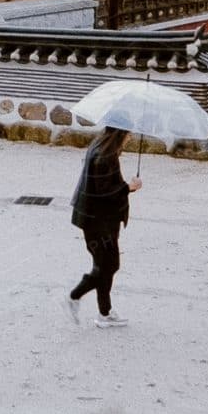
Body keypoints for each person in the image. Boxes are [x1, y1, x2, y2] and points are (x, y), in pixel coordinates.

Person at [65, 125, 141, 328]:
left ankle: (104, 313)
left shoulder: (100, 147)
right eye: (128, 132)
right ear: (119, 133)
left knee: (104, 265)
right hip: (98, 221)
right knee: (109, 265)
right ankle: (75, 296)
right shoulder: (106, 156)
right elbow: (105, 193)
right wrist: (129, 187)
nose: (131, 136)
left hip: (96, 219)